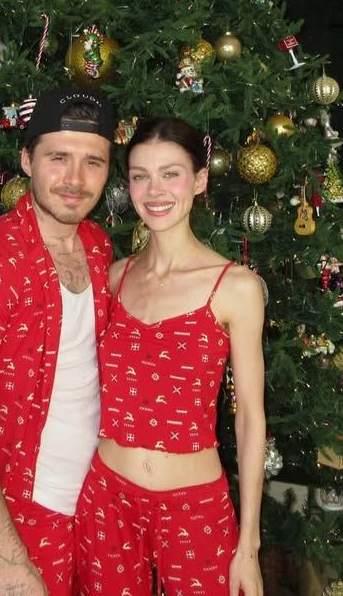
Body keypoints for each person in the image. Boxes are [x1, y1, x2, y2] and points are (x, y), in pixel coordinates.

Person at [0, 86, 117, 596]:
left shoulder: (98, 246)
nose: (75, 180)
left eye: (93, 162)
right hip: (29, 511)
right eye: (58, 158)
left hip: (103, 500)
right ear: (27, 161)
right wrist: (9, 562)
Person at [75, 116, 267, 596]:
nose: (154, 190)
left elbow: (250, 419)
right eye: (140, 176)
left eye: (170, 174)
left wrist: (248, 544)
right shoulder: (115, 277)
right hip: (107, 500)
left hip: (194, 507)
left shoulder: (235, 287)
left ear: (199, 180)